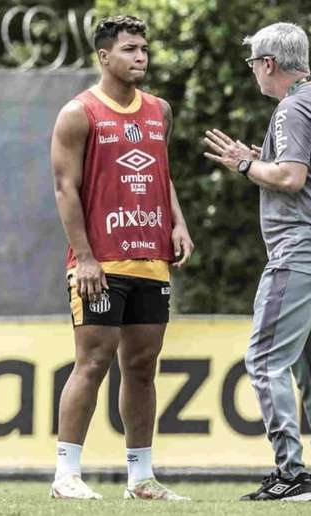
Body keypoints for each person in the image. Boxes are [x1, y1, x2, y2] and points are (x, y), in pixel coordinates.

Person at [203, 22, 311, 502]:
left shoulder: (291, 107)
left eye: (253, 62)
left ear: (269, 64)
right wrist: (266, 161)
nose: (253, 70)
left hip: (303, 250)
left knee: (265, 358)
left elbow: (292, 179)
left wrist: (243, 162)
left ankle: (291, 474)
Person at [50, 15, 193, 501]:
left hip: (151, 260)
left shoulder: (160, 111)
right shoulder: (79, 113)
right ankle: (66, 474)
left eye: (143, 50)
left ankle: (141, 478)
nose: (140, 58)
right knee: (92, 362)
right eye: (130, 49)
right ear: (104, 56)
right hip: (100, 264)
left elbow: (161, 172)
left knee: (142, 367)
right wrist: (85, 258)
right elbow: (64, 188)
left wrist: (177, 222)